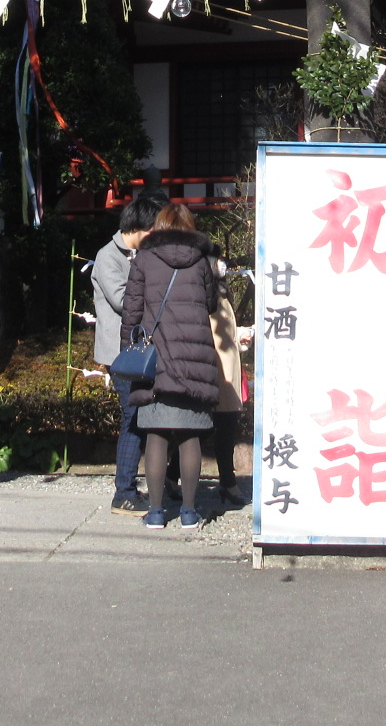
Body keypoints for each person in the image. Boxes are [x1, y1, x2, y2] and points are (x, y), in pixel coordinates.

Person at [121, 201, 224, 529]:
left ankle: (154, 513)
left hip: (157, 359)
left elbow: (131, 310)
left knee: (156, 434)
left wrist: (128, 351)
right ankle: (190, 513)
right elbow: (211, 304)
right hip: (194, 360)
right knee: (189, 435)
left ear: (160, 226)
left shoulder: (144, 260)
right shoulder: (201, 261)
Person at [91, 194, 160, 514]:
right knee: (132, 419)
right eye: (152, 230)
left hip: (142, 350)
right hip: (122, 353)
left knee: (146, 418)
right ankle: (124, 492)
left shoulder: (141, 253)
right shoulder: (108, 256)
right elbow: (122, 300)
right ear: (137, 228)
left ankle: (139, 485)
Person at [208, 255, 252, 508]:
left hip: (228, 368)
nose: (223, 264)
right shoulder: (207, 293)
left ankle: (172, 475)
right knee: (218, 428)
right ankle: (228, 481)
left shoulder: (221, 292)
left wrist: (240, 337)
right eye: (217, 260)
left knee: (220, 427)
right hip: (217, 370)